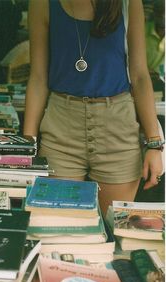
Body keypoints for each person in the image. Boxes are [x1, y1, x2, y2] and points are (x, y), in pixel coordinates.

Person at [23, 0, 164, 216]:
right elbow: (38, 76)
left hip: (117, 127)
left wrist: (154, 144)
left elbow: (140, 76)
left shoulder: (127, 3)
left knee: (114, 228)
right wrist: (26, 144)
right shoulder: (42, 3)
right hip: (62, 127)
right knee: (56, 224)